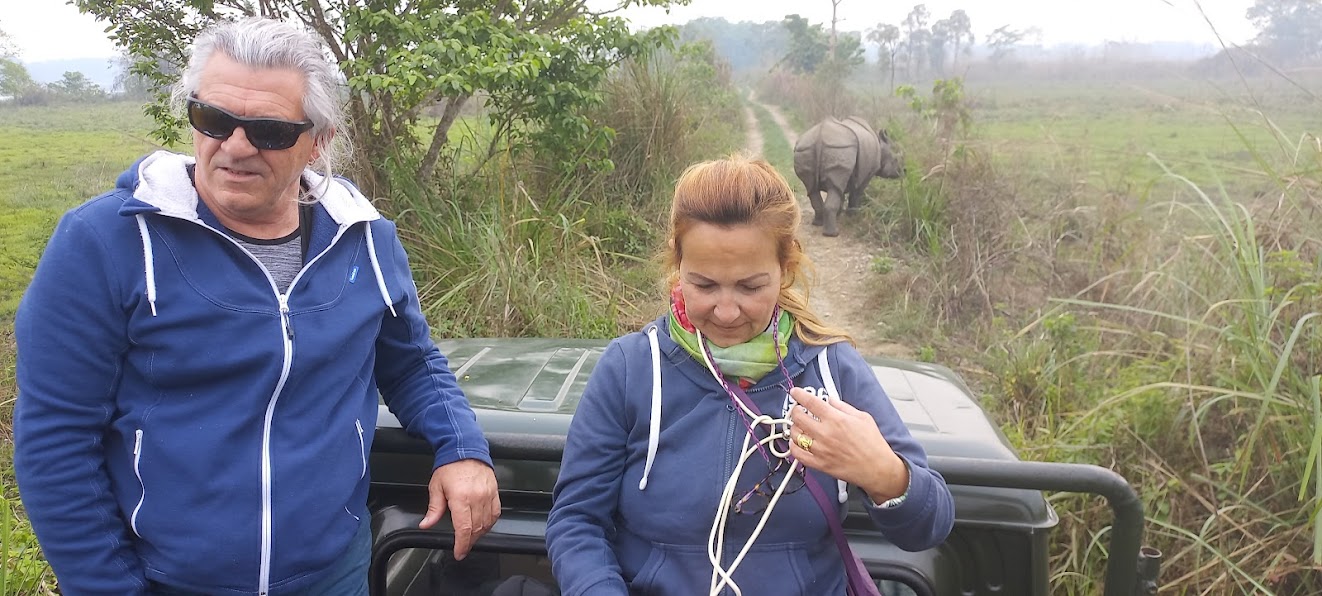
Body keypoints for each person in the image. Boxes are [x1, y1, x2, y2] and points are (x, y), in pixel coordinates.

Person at [13, 17, 499, 595]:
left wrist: (463, 449)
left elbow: (411, 362)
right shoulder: (106, 243)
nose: (235, 146)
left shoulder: (364, 239)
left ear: (319, 140)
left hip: (332, 573)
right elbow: (56, 439)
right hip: (168, 580)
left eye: (268, 130)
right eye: (214, 119)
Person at [545, 155, 955, 595]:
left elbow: (928, 528)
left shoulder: (834, 370)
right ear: (677, 265)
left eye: (750, 287)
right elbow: (577, 520)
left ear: (786, 269)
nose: (725, 311)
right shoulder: (629, 369)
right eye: (703, 285)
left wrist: (884, 474)